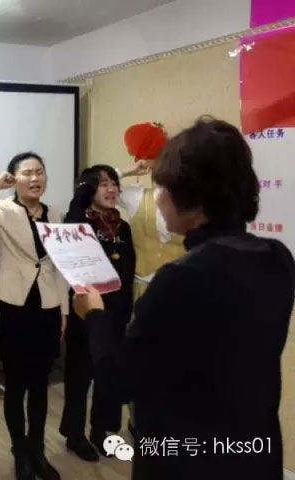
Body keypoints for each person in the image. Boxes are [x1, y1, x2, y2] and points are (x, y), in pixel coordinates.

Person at [73, 117, 294, 480]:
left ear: (189, 196)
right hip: (254, 453)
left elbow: (117, 380)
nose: (158, 198)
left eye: (163, 187)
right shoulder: (277, 258)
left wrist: (94, 314)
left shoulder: (181, 279)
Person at [0, 152, 68, 480]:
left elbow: (60, 263)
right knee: (17, 384)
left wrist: (64, 309)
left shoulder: (55, 213)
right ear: (14, 179)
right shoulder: (0, 210)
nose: (35, 179)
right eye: (27, 173)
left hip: (48, 305)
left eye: (40, 172)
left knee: (40, 384)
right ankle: (20, 452)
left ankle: (37, 451)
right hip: (16, 306)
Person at [59, 165, 135, 461]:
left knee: (109, 375)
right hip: (85, 311)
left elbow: (126, 272)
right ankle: (75, 435)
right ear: (89, 190)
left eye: (114, 183)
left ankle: (103, 431)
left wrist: (125, 311)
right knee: (79, 377)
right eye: (103, 184)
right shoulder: (79, 225)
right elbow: (71, 231)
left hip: (116, 314)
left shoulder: (123, 227)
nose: (111, 189)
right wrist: (81, 192)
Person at [118, 122, 185, 301]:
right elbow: (91, 187)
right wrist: (127, 172)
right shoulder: (136, 197)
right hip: (143, 290)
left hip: (182, 290)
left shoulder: (192, 202)